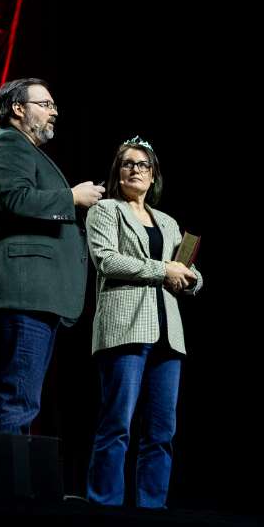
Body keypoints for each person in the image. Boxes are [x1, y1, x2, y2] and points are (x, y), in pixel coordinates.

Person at [0, 78, 104, 434]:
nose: (53, 113)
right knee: (15, 400)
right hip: (20, 293)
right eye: (45, 104)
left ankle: (6, 485)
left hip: (29, 295)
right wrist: (70, 197)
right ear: (19, 109)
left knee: (19, 399)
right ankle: (1, 488)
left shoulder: (25, 150)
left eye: (54, 106)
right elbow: (16, 199)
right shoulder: (9, 143)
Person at [84, 136, 202, 508]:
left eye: (142, 165)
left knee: (162, 431)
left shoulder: (167, 222)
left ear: (153, 176)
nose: (134, 170)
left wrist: (191, 278)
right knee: (117, 424)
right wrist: (163, 269)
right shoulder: (105, 211)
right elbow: (107, 261)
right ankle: (105, 504)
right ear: (117, 172)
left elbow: (188, 270)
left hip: (168, 332)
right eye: (127, 164)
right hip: (125, 327)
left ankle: (153, 507)